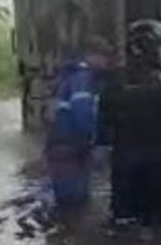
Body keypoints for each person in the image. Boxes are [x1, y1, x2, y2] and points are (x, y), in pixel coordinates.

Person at [97, 19, 161, 228]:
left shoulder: (114, 81)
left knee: (124, 224)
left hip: (123, 165)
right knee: (157, 225)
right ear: (151, 47)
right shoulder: (160, 83)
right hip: (156, 167)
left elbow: (103, 121)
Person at [45, 37, 114, 209]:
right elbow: (82, 111)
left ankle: (65, 233)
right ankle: (67, 233)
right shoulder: (82, 78)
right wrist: (97, 143)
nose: (107, 61)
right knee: (72, 204)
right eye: (104, 56)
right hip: (69, 149)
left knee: (75, 202)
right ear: (91, 56)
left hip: (67, 148)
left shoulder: (76, 77)